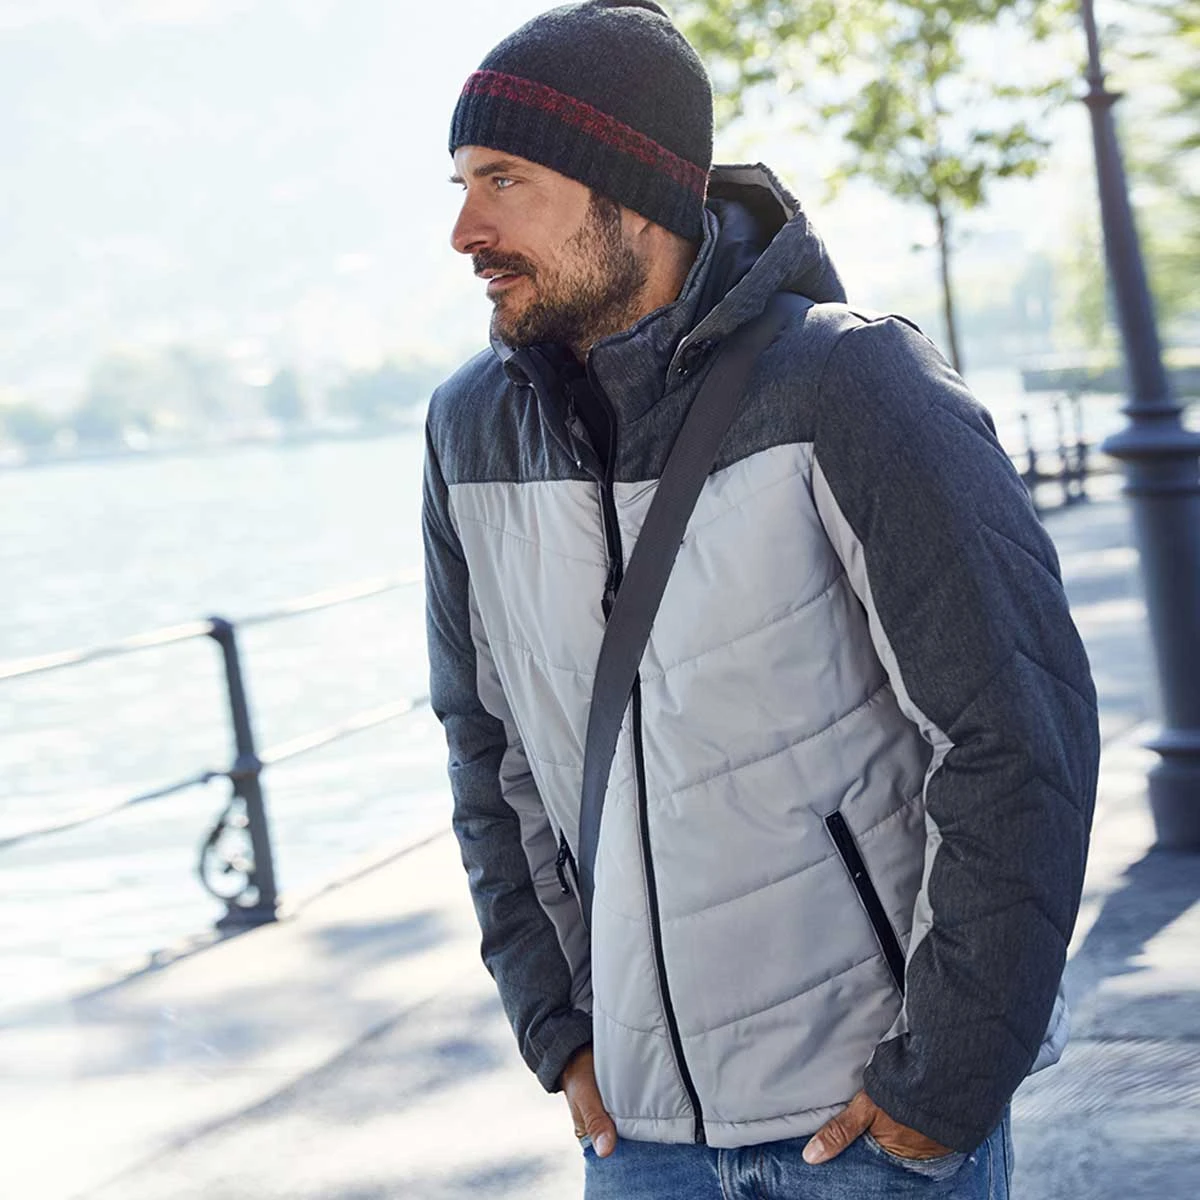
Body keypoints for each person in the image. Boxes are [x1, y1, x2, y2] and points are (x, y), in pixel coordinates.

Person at [422, 2, 1100, 1196]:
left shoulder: (852, 382)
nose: (465, 230)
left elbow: (1017, 732)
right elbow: (487, 754)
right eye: (464, 183)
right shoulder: (468, 430)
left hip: (865, 1125)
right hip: (637, 1141)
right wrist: (557, 1028)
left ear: (632, 192)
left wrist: (940, 1085)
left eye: (504, 181)